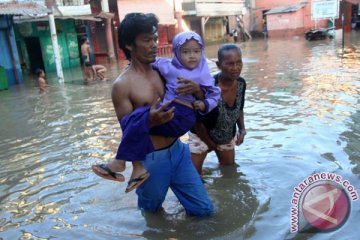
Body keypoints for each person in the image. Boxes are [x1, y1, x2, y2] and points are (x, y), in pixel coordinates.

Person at [92, 13, 213, 216]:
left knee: (204, 210)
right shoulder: (122, 85)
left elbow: (194, 96)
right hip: (152, 160)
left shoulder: (165, 69)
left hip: (179, 151)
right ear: (130, 45)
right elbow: (129, 131)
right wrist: (149, 120)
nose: (154, 44)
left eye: (155, 38)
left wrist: (198, 91)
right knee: (152, 214)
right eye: (147, 40)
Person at [189, 44, 247, 175]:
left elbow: (240, 108)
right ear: (219, 65)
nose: (236, 68)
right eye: (230, 64)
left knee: (230, 172)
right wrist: (210, 145)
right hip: (201, 136)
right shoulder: (207, 87)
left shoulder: (241, 84)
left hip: (225, 135)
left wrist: (242, 129)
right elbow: (197, 122)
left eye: (239, 62)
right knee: (193, 178)